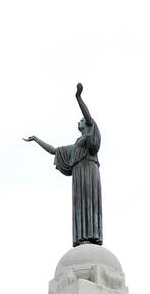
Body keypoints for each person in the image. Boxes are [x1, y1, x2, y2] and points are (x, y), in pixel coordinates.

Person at [23, 83, 102, 245]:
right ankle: (82, 237)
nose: (79, 122)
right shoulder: (74, 149)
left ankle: (92, 236)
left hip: (89, 170)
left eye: (82, 121)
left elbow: (88, 116)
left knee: (90, 203)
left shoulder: (89, 141)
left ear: (87, 126)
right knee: (80, 203)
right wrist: (37, 139)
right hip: (78, 174)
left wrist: (78, 97)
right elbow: (53, 150)